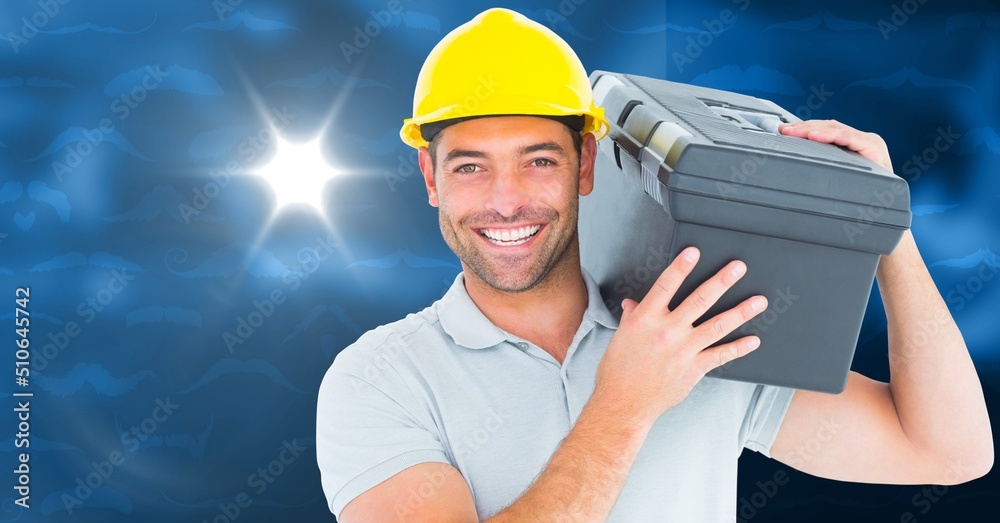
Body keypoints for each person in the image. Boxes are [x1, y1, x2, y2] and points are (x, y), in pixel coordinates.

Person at [317, 8, 993, 522]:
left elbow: (951, 451)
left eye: (539, 160)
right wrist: (626, 403)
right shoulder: (380, 380)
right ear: (429, 178)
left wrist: (885, 224)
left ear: (585, 163)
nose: (506, 200)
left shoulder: (692, 332)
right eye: (470, 167)